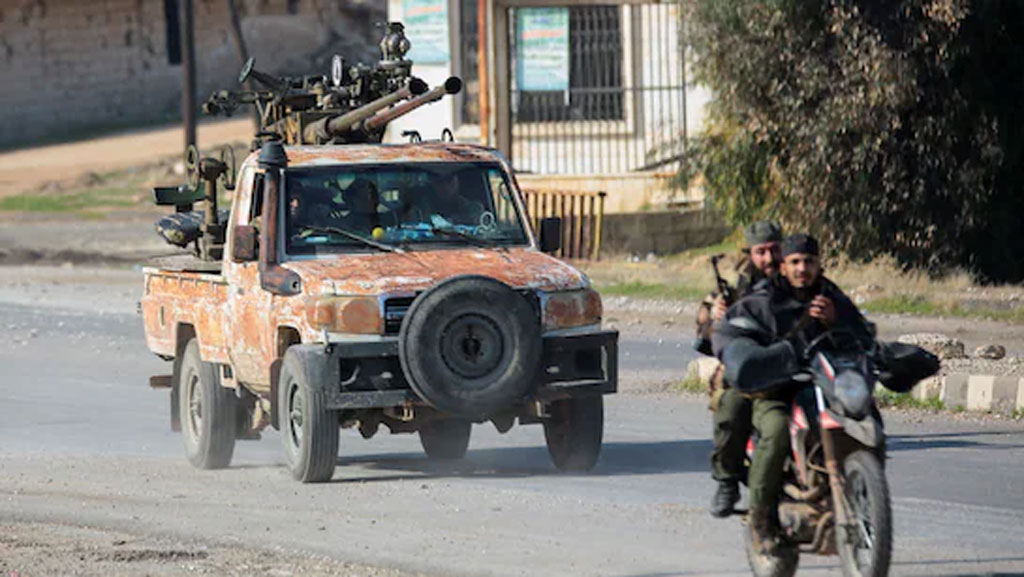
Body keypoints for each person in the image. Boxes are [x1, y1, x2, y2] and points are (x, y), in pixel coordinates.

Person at [711, 233, 872, 554]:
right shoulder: (762, 300)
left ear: (819, 264)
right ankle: (760, 520)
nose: (802, 269)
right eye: (795, 262)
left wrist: (835, 321)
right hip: (772, 390)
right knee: (776, 430)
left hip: (821, 386)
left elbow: (863, 337)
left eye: (809, 262)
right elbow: (726, 335)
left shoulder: (831, 297)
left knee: (862, 415)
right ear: (784, 266)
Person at [697, 220, 783, 518]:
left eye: (774, 250)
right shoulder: (735, 285)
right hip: (748, 368)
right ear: (750, 253)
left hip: (793, 362)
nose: (769, 259)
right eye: (761, 252)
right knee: (732, 409)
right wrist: (715, 318)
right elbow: (704, 334)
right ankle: (727, 481)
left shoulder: (797, 274)